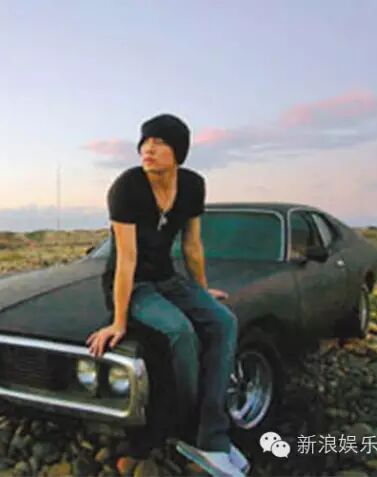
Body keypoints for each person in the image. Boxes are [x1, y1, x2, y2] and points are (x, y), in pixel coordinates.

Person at [86, 113, 250, 476]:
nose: (148, 148)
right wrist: (118, 320)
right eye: (145, 142)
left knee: (223, 321)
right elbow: (126, 259)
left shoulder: (192, 185)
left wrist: (201, 292)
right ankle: (189, 429)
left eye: (159, 142)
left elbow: (192, 244)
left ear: (178, 152)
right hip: (134, 285)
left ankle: (212, 436)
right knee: (179, 330)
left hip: (168, 278)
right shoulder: (127, 187)